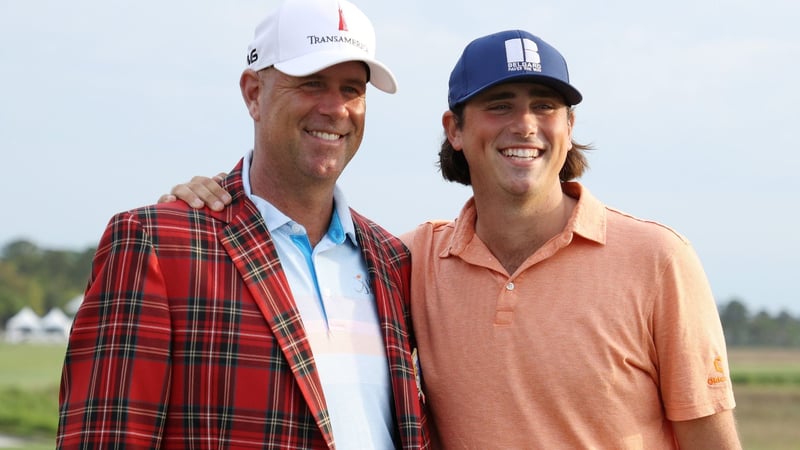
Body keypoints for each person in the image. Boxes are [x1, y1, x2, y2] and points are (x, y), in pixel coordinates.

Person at [165, 30, 742, 449]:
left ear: (569, 128)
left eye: (546, 107)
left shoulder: (658, 259)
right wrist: (216, 193)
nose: (525, 126)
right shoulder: (407, 261)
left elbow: (711, 440)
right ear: (455, 129)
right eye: (499, 106)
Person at [57, 0, 430, 448]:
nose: (336, 108)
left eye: (352, 89)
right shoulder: (157, 244)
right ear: (253, 93)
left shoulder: (392, 260)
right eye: (312, 84)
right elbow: (108, 436)